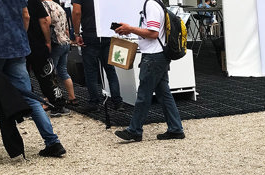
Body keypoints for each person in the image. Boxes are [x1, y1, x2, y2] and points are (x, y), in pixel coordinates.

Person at [0, 0, 66, 158]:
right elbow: (26, 16)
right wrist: (19, 37)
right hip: (17, 48)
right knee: (29, 96)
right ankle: (53, 142)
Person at [113, 0, 185, 141]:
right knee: (164, 94)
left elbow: (153, 33)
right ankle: (175, 129)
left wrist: (130, 29)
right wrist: (130, 30)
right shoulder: (156, 3)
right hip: (158, 55)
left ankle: (134, 130)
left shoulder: (151, 5)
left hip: (153, 56)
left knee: (144, 94)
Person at [72, 0, 123, 111]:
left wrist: (76, 33)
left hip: (90, 33)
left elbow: (76, 12)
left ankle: (94, 102)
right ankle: (117, 102)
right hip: (106, 33)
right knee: (110, 70)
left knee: (91, 72)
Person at [27, 0, 68, 116]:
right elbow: (45, 20)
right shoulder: (34, 2)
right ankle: (57, 104)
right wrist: (48, 41)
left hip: (19, 45)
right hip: (37, 43)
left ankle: (29, 106)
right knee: (47, 75)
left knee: (22, 77)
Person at [43, 0, 77, 107]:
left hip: (55, 43)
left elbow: (46, 22)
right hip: (65, 42)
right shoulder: (58, 6)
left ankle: (50, 99)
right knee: (63, 71)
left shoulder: (45, 6)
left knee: (50, 73)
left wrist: (47, 41)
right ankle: (72, 97)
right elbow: (66, 27)